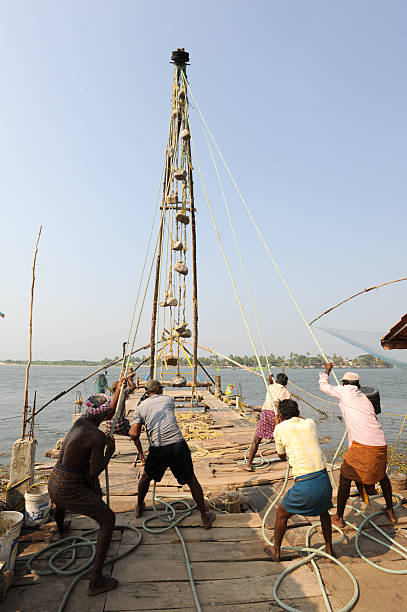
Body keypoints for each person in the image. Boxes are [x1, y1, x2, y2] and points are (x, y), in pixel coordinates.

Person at [48, 381, 124, 596]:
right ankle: (96, 581)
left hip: (54, 481)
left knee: (62, 501)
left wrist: (119, 390)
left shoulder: (80, 422)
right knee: (108, 519)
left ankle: (61, 530)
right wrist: (110, 450)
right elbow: (94, 472)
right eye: (107, 412)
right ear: (102, 415)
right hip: (69, 487)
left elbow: (108, 413)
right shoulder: (97, 436)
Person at [129, 379, 216, 528]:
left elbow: (134, 434)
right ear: (157, 389)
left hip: (158, 448)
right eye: (160, 388)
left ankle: (138, 507)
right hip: (178, 445)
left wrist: (135, 427)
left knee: (146, 477)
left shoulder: (140, 407)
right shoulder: (168, 400)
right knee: (191, 479)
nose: (162, 390)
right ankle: (204, 517)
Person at [319, 362, 396, 526]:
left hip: (364, 445)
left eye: (343, 383)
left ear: (345, 383)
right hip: (380, 444)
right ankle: (390, 510)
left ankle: (339, 518)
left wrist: (327, 370)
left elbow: (324, 386)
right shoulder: (364, 397)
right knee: (382, 475)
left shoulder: (346, 391)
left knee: (346, 477)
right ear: (358, 385)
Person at [264, 399, 334, 561]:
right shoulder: (310, 423)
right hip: (324, 481)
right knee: (324, 511)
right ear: (298, 412)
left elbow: (281, 455)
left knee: (281, 513)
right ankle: (329, 549)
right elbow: (300, 420)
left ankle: (276, 551)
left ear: (280, 415)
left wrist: (278, 422)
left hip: (306, 485)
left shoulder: (279, 428)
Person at [244, 373, 291, 471]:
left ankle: (249, 464)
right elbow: (288, 407)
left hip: (266, 415)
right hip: (277, 417)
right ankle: (290, 459)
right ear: (285, 383)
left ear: (276, 381)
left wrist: (270, 379)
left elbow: (269, 385)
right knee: (282, 439)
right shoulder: (287, 393)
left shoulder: (271, 387)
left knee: (256, 440)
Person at [104, 369, 145, 465]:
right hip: (119, 424)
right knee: (135, 436)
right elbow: (133, 387)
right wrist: (130, 379)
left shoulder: (109, 398)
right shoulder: (122, 393)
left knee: (106, 438)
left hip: (109, 426)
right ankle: (143, 459)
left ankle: (106, 454)